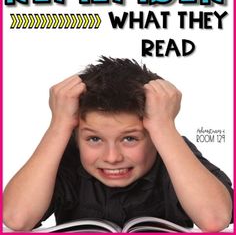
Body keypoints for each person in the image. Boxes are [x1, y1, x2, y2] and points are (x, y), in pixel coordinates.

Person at [3, 57, 233, 232]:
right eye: (94, 139)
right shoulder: (66, 155)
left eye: (130, 138)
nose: (112, 157)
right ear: (76, 135)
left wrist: (164, 127)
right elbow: (16, 218)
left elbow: (214, 219)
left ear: (155, 134)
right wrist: (59, 124)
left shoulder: (174, 151)